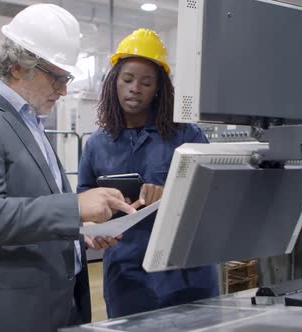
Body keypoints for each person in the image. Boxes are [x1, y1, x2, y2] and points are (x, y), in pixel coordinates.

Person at [0, 4, 134, 332]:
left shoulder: (32, 124)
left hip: (58, 304)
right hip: (14, 312)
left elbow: (33, 210)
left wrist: (80, 232)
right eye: (56, 77)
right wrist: (74, 207)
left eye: (67, 78)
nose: (63, 89)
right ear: (17, 66)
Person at [77, 28, 219, 318]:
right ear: (114, 82)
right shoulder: (97, 144)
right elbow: (83, 200)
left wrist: (170, 195)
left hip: (186, 274)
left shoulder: (186, 135)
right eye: (128, 79)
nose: (135, 88)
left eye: (146, 82)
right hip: (126, 275)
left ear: (158, 89)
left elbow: (215, 198)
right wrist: (93, 230)